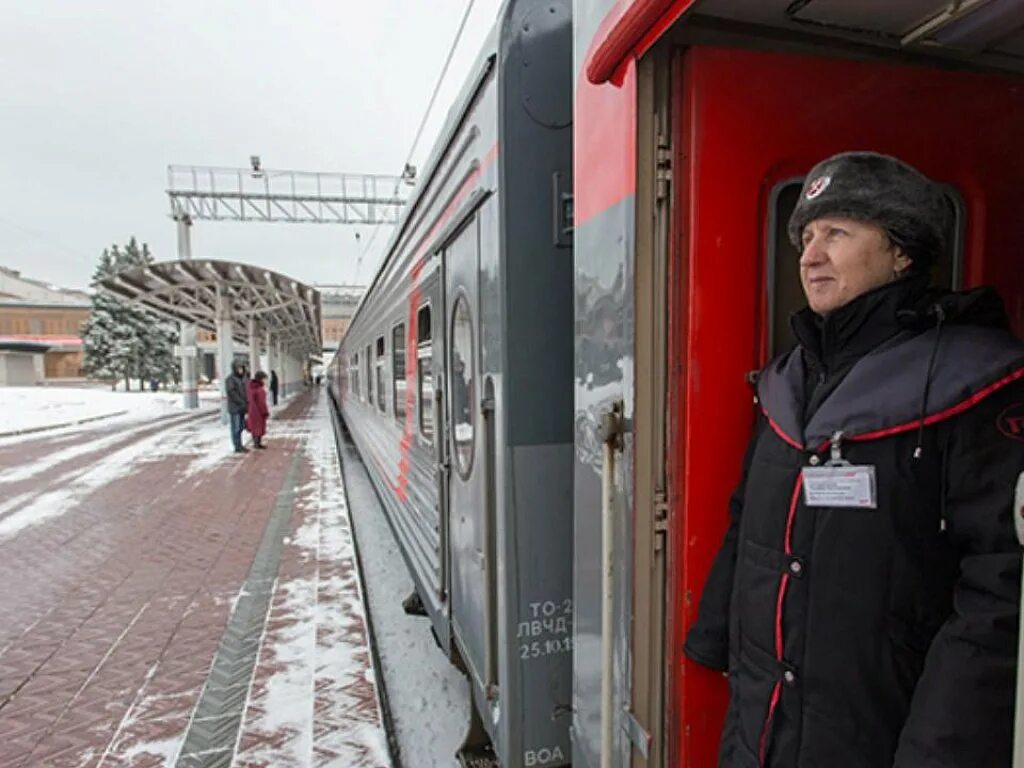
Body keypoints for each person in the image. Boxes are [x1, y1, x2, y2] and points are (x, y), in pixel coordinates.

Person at [684, 151, 1024, 767]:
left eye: (837, 233)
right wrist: (713, 640)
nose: (811, 255)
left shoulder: (975, 384)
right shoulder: (787, 380)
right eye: (806, 236)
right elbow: (747, 526)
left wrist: (938, 752)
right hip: (761, 733)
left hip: (883, 736)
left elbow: (998, 591)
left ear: (903, 253)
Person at [225, 361, 248, 453]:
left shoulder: (243, 379)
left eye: (242, 368)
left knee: (241, 427)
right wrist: (241, 401)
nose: (241, 370)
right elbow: (231, 392)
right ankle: (237, 446)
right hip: (235, 407)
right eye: (239, 368)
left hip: (242, 407)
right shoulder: (230, 379)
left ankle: (240, 444)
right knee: (236, 427)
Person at [246, 371, 270, 449]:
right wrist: (265, 412)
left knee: (254, 427)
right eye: (264, 379)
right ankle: (257, 444)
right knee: (259, 427)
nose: (265, 381)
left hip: (252, 410)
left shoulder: (251, 387)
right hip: (258, 412)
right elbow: (261, 403)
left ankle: (256, 443)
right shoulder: (260, 390)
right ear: (261, 379)